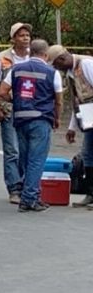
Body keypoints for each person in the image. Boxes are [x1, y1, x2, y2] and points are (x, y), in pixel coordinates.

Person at [0, 39, 62, 212]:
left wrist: (17, 100)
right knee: (37, 160)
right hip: (41, 120)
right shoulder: (52, 72)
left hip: (20, 120)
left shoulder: (16, 69)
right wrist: (57, 118)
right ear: (46, 55)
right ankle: (29, 199)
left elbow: (1, 92)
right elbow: (59, 100)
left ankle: (32, 195)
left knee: (25, 160)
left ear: (30, 52)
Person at [0, 22, 32, 204]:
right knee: (12, 150)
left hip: (30, 112)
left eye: (27, 34)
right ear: (13, 39)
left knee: (26, 151)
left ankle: (27, 186)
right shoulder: (1, 58)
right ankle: (14, 188)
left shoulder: (33, 57)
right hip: (9, 111)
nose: (25, 38)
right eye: (21, 35)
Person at [50, 44, 93, 207]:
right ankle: (90, 193)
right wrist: (71, 127)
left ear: (62, 59)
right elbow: (77, 102)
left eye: (56, 65)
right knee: (88, 155)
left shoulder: (86, 64)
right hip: (88, 115)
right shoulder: (70, 73)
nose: (56, 69)